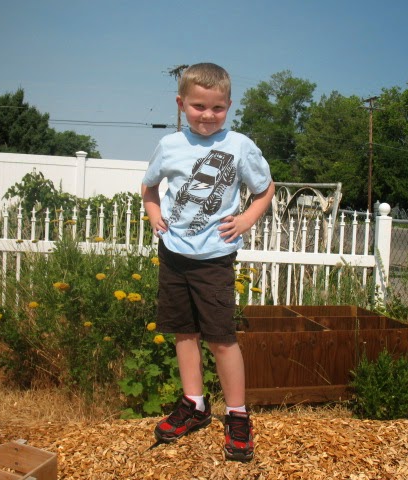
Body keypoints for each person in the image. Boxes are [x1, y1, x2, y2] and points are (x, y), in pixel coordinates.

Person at [141, 62, 275, 462]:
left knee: (220, 338)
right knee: (184, 332)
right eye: (198, 106)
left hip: (214, 258)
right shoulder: (169, 146)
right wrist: (153, 213)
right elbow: (149, 186)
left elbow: (265, 189)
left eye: (217, 108)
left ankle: (237, 415)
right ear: (181, 104)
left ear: (229, 106)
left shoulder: (239, 145)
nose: (207, 115)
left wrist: (247, 219)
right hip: (173, 254)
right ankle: (195, 405)